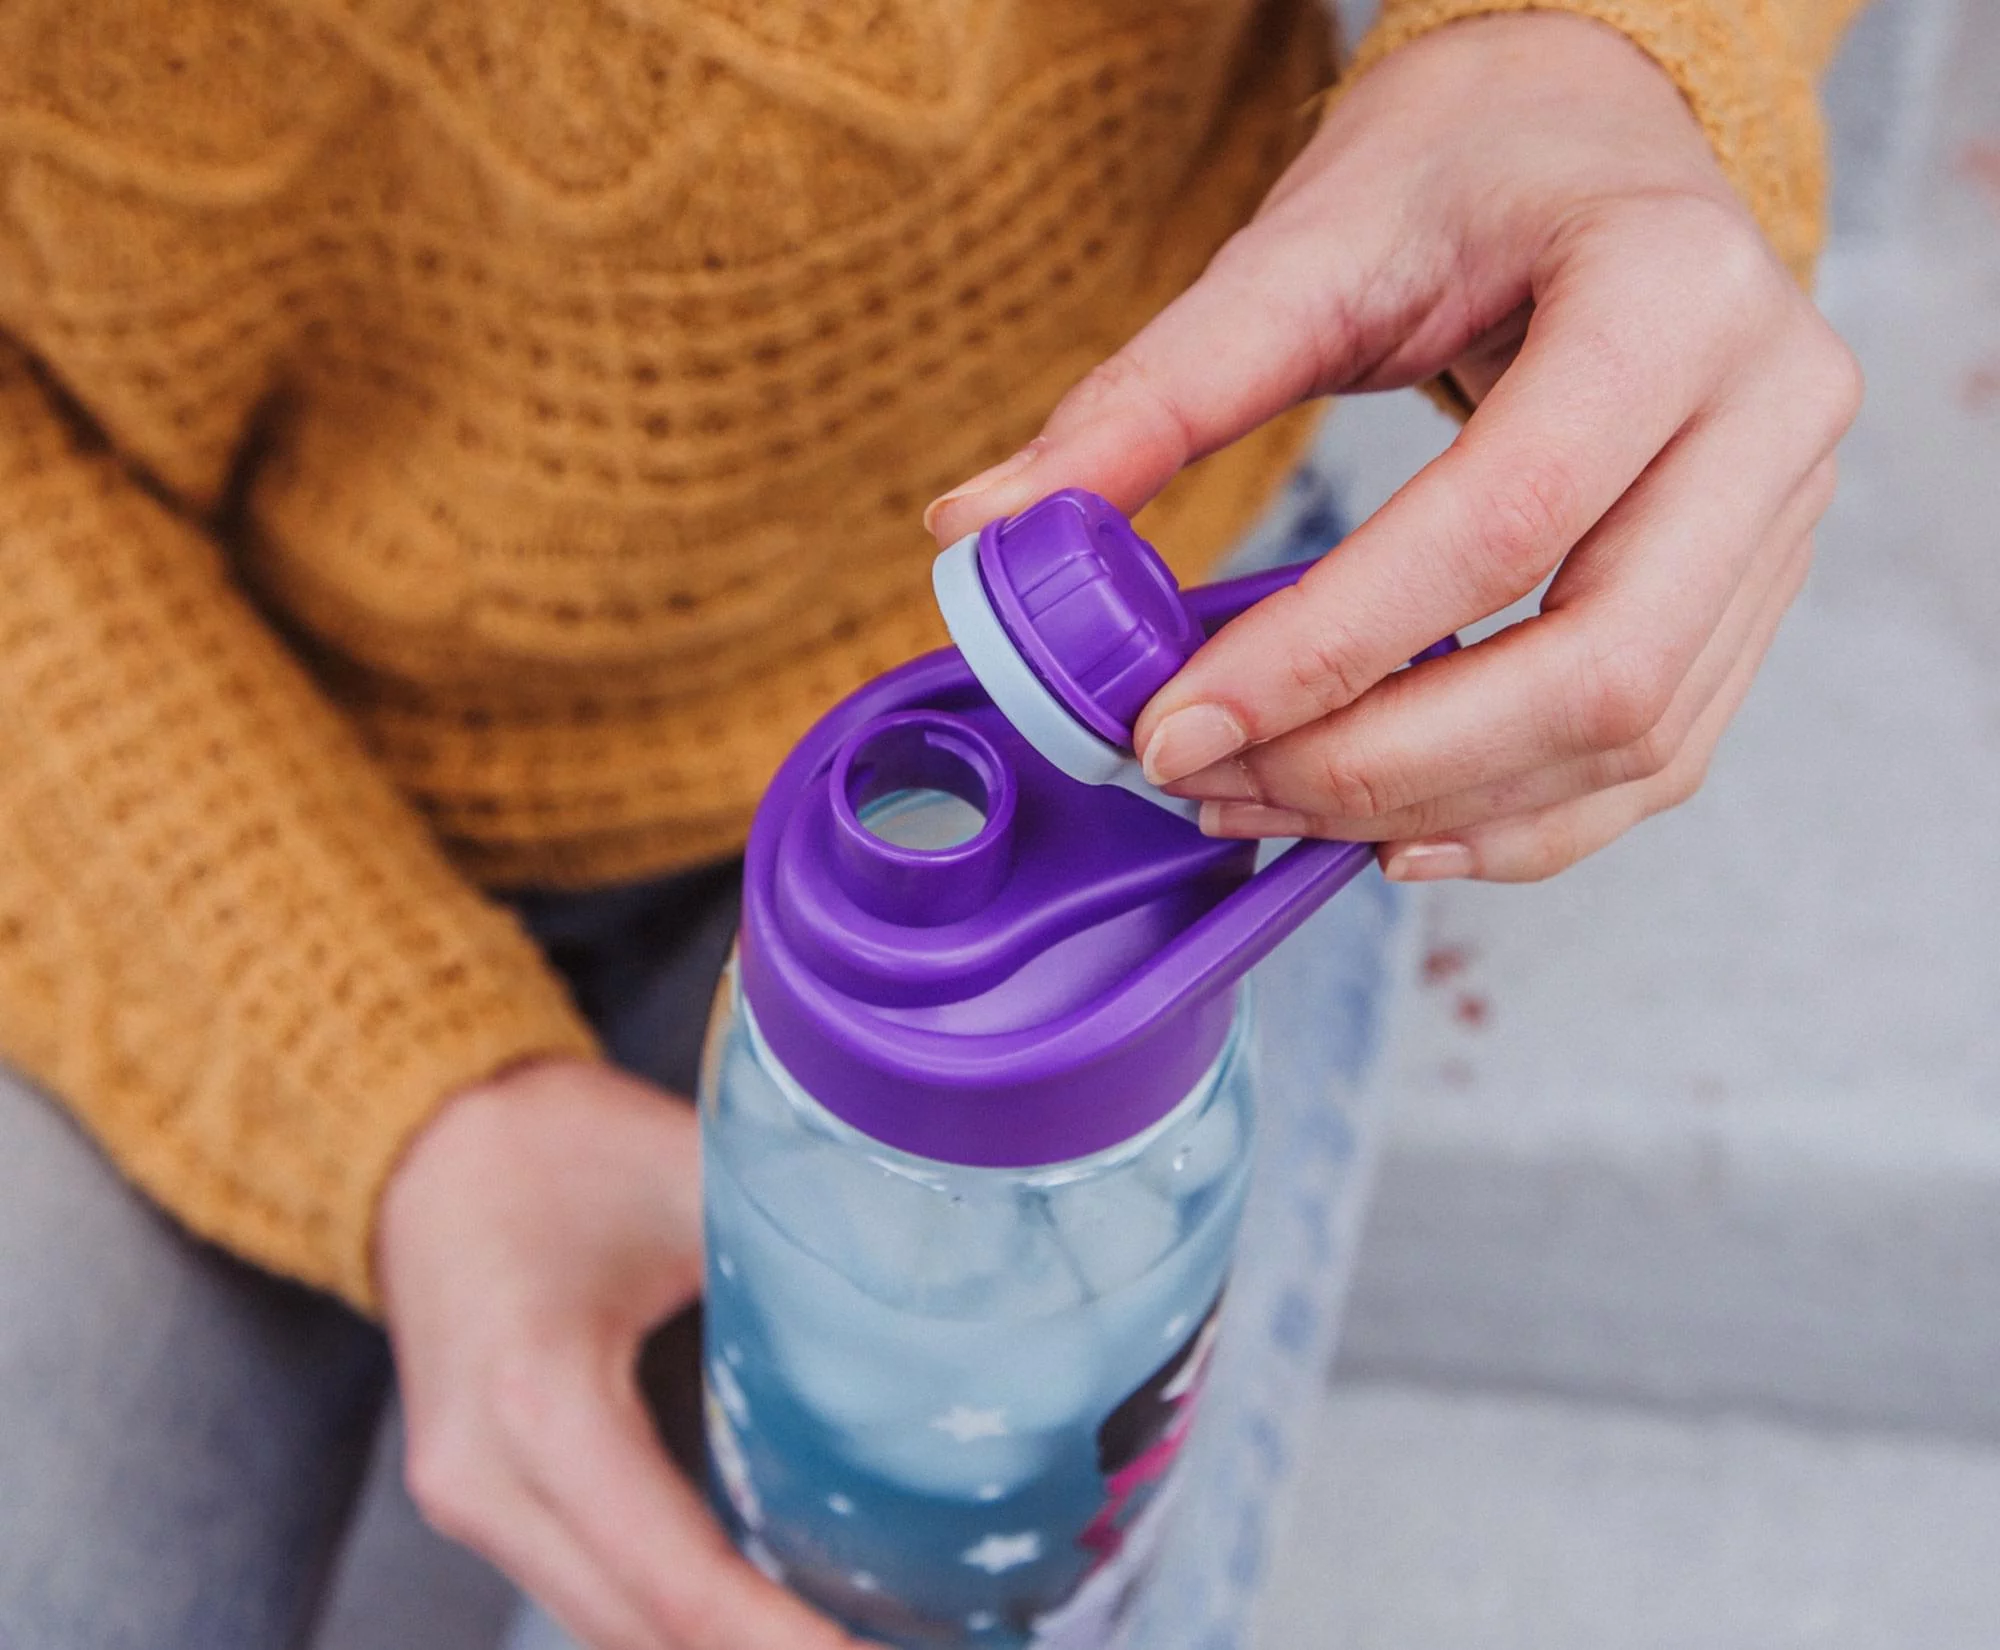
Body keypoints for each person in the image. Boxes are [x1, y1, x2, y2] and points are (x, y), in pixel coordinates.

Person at [0, 2, 1863, 1647]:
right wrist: (374, 1075)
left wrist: (1600, 56)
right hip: (133, 684)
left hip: (1162, 696)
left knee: (1018, 1545)